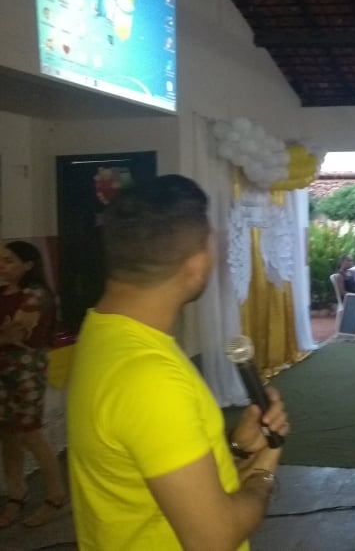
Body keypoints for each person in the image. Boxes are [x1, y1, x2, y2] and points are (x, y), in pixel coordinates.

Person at [67, 175, 290, 550]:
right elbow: (213, 539)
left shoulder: (104, 332)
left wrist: (237, 451)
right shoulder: (150, 377)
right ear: (197, 265)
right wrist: (264, 469)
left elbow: (147, 469)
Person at [0, 241, 65, 528]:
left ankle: (55, 496)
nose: (3, 265)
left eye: (10, 260)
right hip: (3, 370)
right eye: (1, 260)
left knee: (30, 435)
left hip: (25, 371)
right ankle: (16, 494)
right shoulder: (4, 292)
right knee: (8, 435)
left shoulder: (36, 295)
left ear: (28, 265)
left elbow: (13, 334)